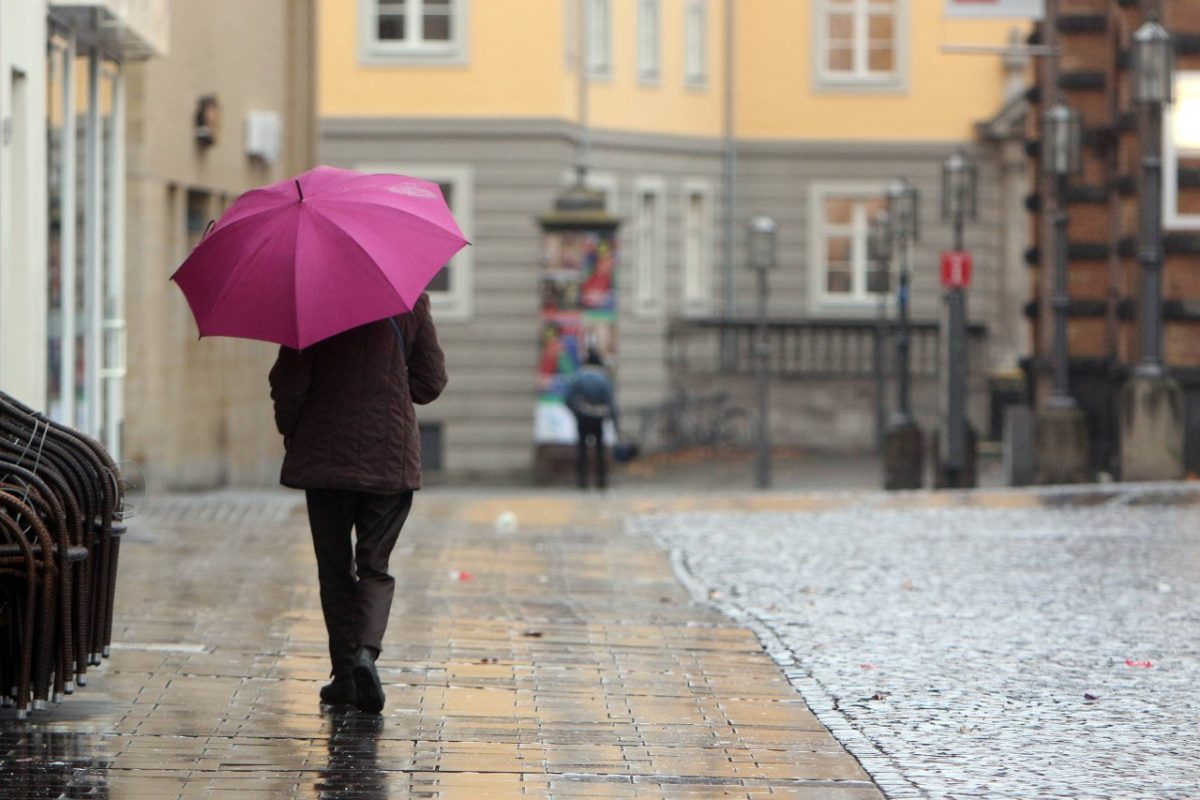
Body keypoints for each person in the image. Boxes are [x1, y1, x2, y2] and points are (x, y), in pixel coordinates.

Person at [269, 293, 446, 714]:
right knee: (375, 566)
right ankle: (366, 652)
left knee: (334, 570)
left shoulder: (310, 302)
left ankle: (345, 674)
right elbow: (430, 381)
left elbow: (289, 382)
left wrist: (291, 428)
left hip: (325, 455)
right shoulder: (409, 301)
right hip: (389, 454)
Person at [564, 348, 617, 489]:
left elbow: (568, 399)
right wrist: (613, 420)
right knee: (599, 450)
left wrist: (576, 412)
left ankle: (582, 481)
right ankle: (601, 481)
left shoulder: (578, 377)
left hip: (583, 417)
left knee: (582, 450)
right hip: (598, 417)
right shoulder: (604, 379)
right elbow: (611, 403)